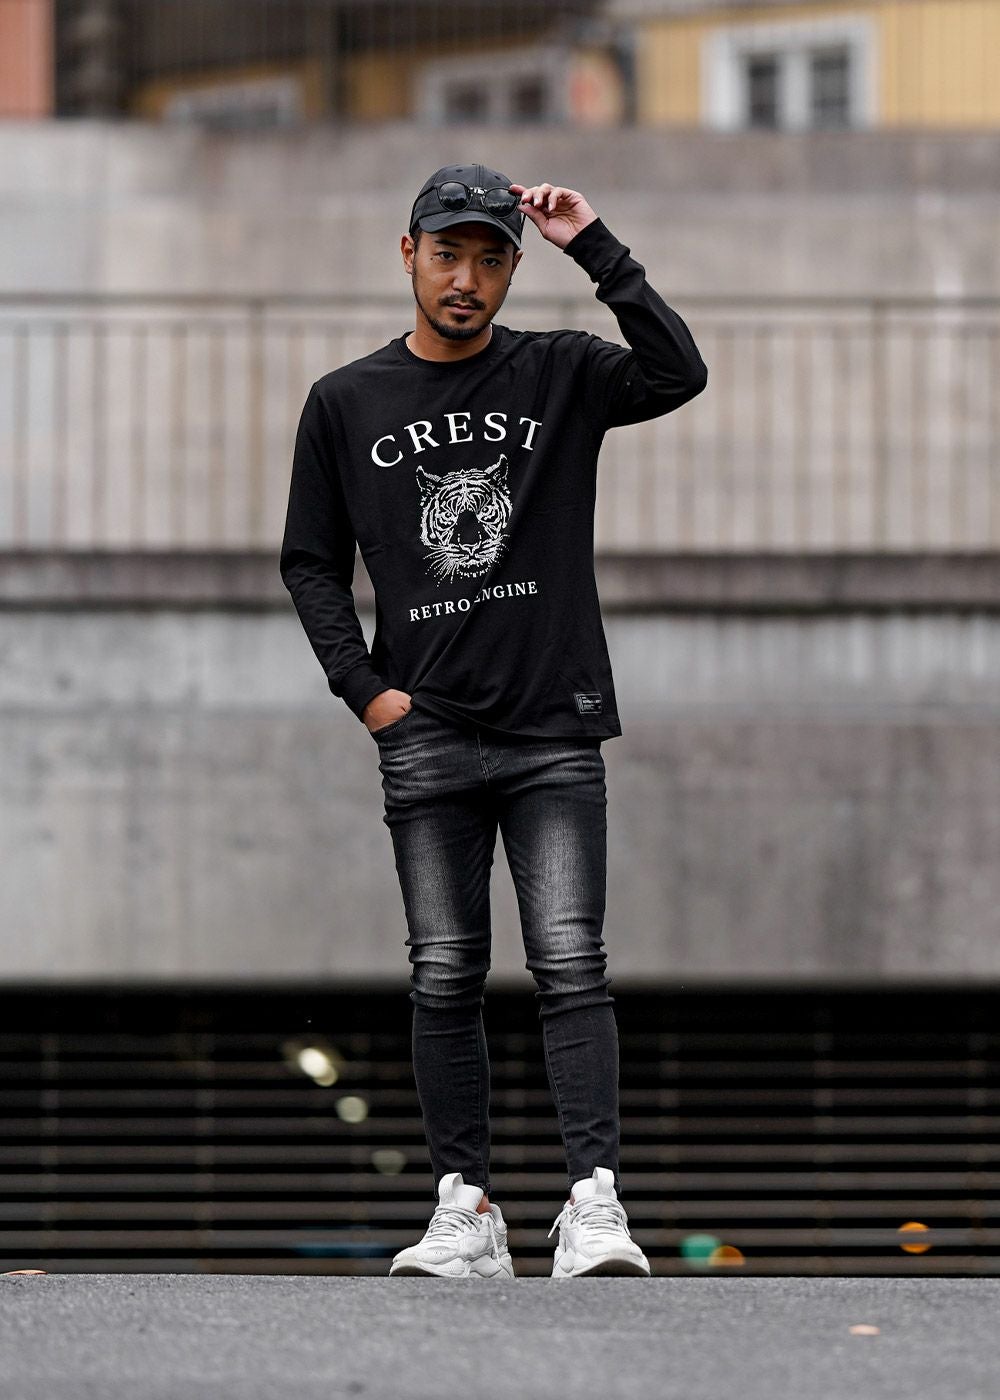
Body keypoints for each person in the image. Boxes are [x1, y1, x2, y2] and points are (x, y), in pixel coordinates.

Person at [279, 163, 707, 1279]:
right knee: (442, 970)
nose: (465, 279)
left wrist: (594, 244)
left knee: (570, 962)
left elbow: (678, 370)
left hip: (551, 722)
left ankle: (594, 1205)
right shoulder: (345, 401)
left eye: (489, 259)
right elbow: (309, 561)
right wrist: (365, 691)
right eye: (446, 255)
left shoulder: (557, 371)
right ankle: (463, 1209)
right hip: (423, 729)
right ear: (408, 255)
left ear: (513, 268)